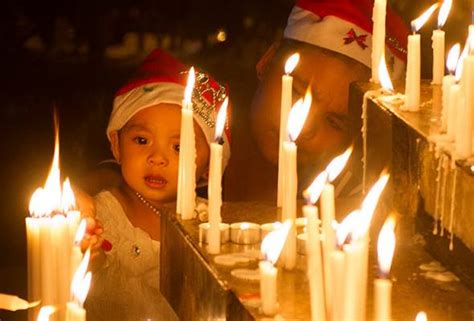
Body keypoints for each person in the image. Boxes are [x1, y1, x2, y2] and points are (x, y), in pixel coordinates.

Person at [82, 48, 230, 321]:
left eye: (179, 147)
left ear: (209, 167)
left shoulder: (213, 224)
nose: (157, 158)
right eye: (142, 140)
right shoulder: (101, 216)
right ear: (116, 145)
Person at [224, 0, 409, 201]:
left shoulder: (349, 199)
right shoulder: (196, 140)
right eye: (297, 93)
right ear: (267, 61)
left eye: (334, 122)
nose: (304, 128)